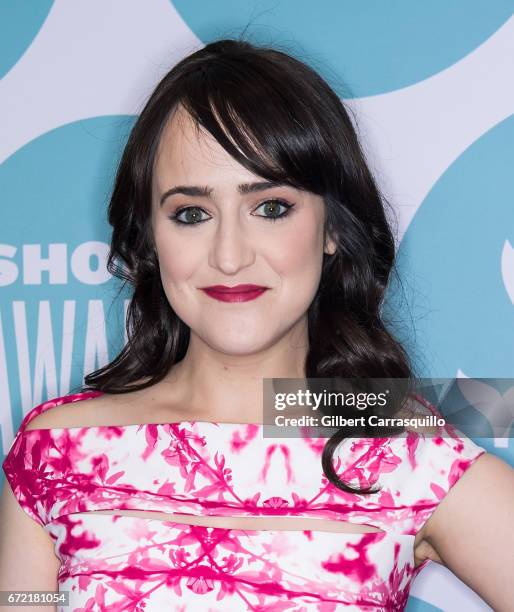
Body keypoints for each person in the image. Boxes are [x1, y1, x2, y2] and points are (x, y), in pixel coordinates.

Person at [1, 38, 513, 612]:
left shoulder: (401, 452)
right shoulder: (58, 450)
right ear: (150, 237)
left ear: (332, 229)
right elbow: (20, 601)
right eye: (191, 214)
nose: (228, 255)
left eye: (270, 207)